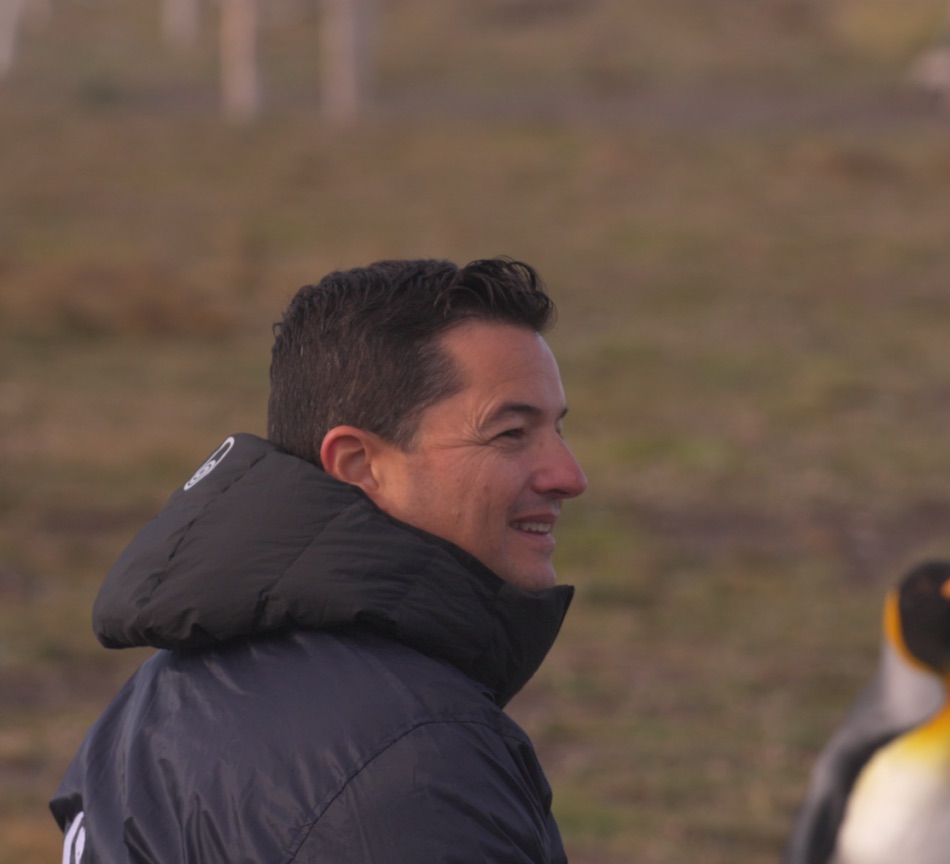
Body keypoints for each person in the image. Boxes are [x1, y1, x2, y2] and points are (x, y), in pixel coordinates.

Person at [49, 257, 589, 863]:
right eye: (510, 434)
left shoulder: (152, 706)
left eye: (557, 430)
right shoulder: (410, 768)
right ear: (358, 463)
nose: (569, 476)